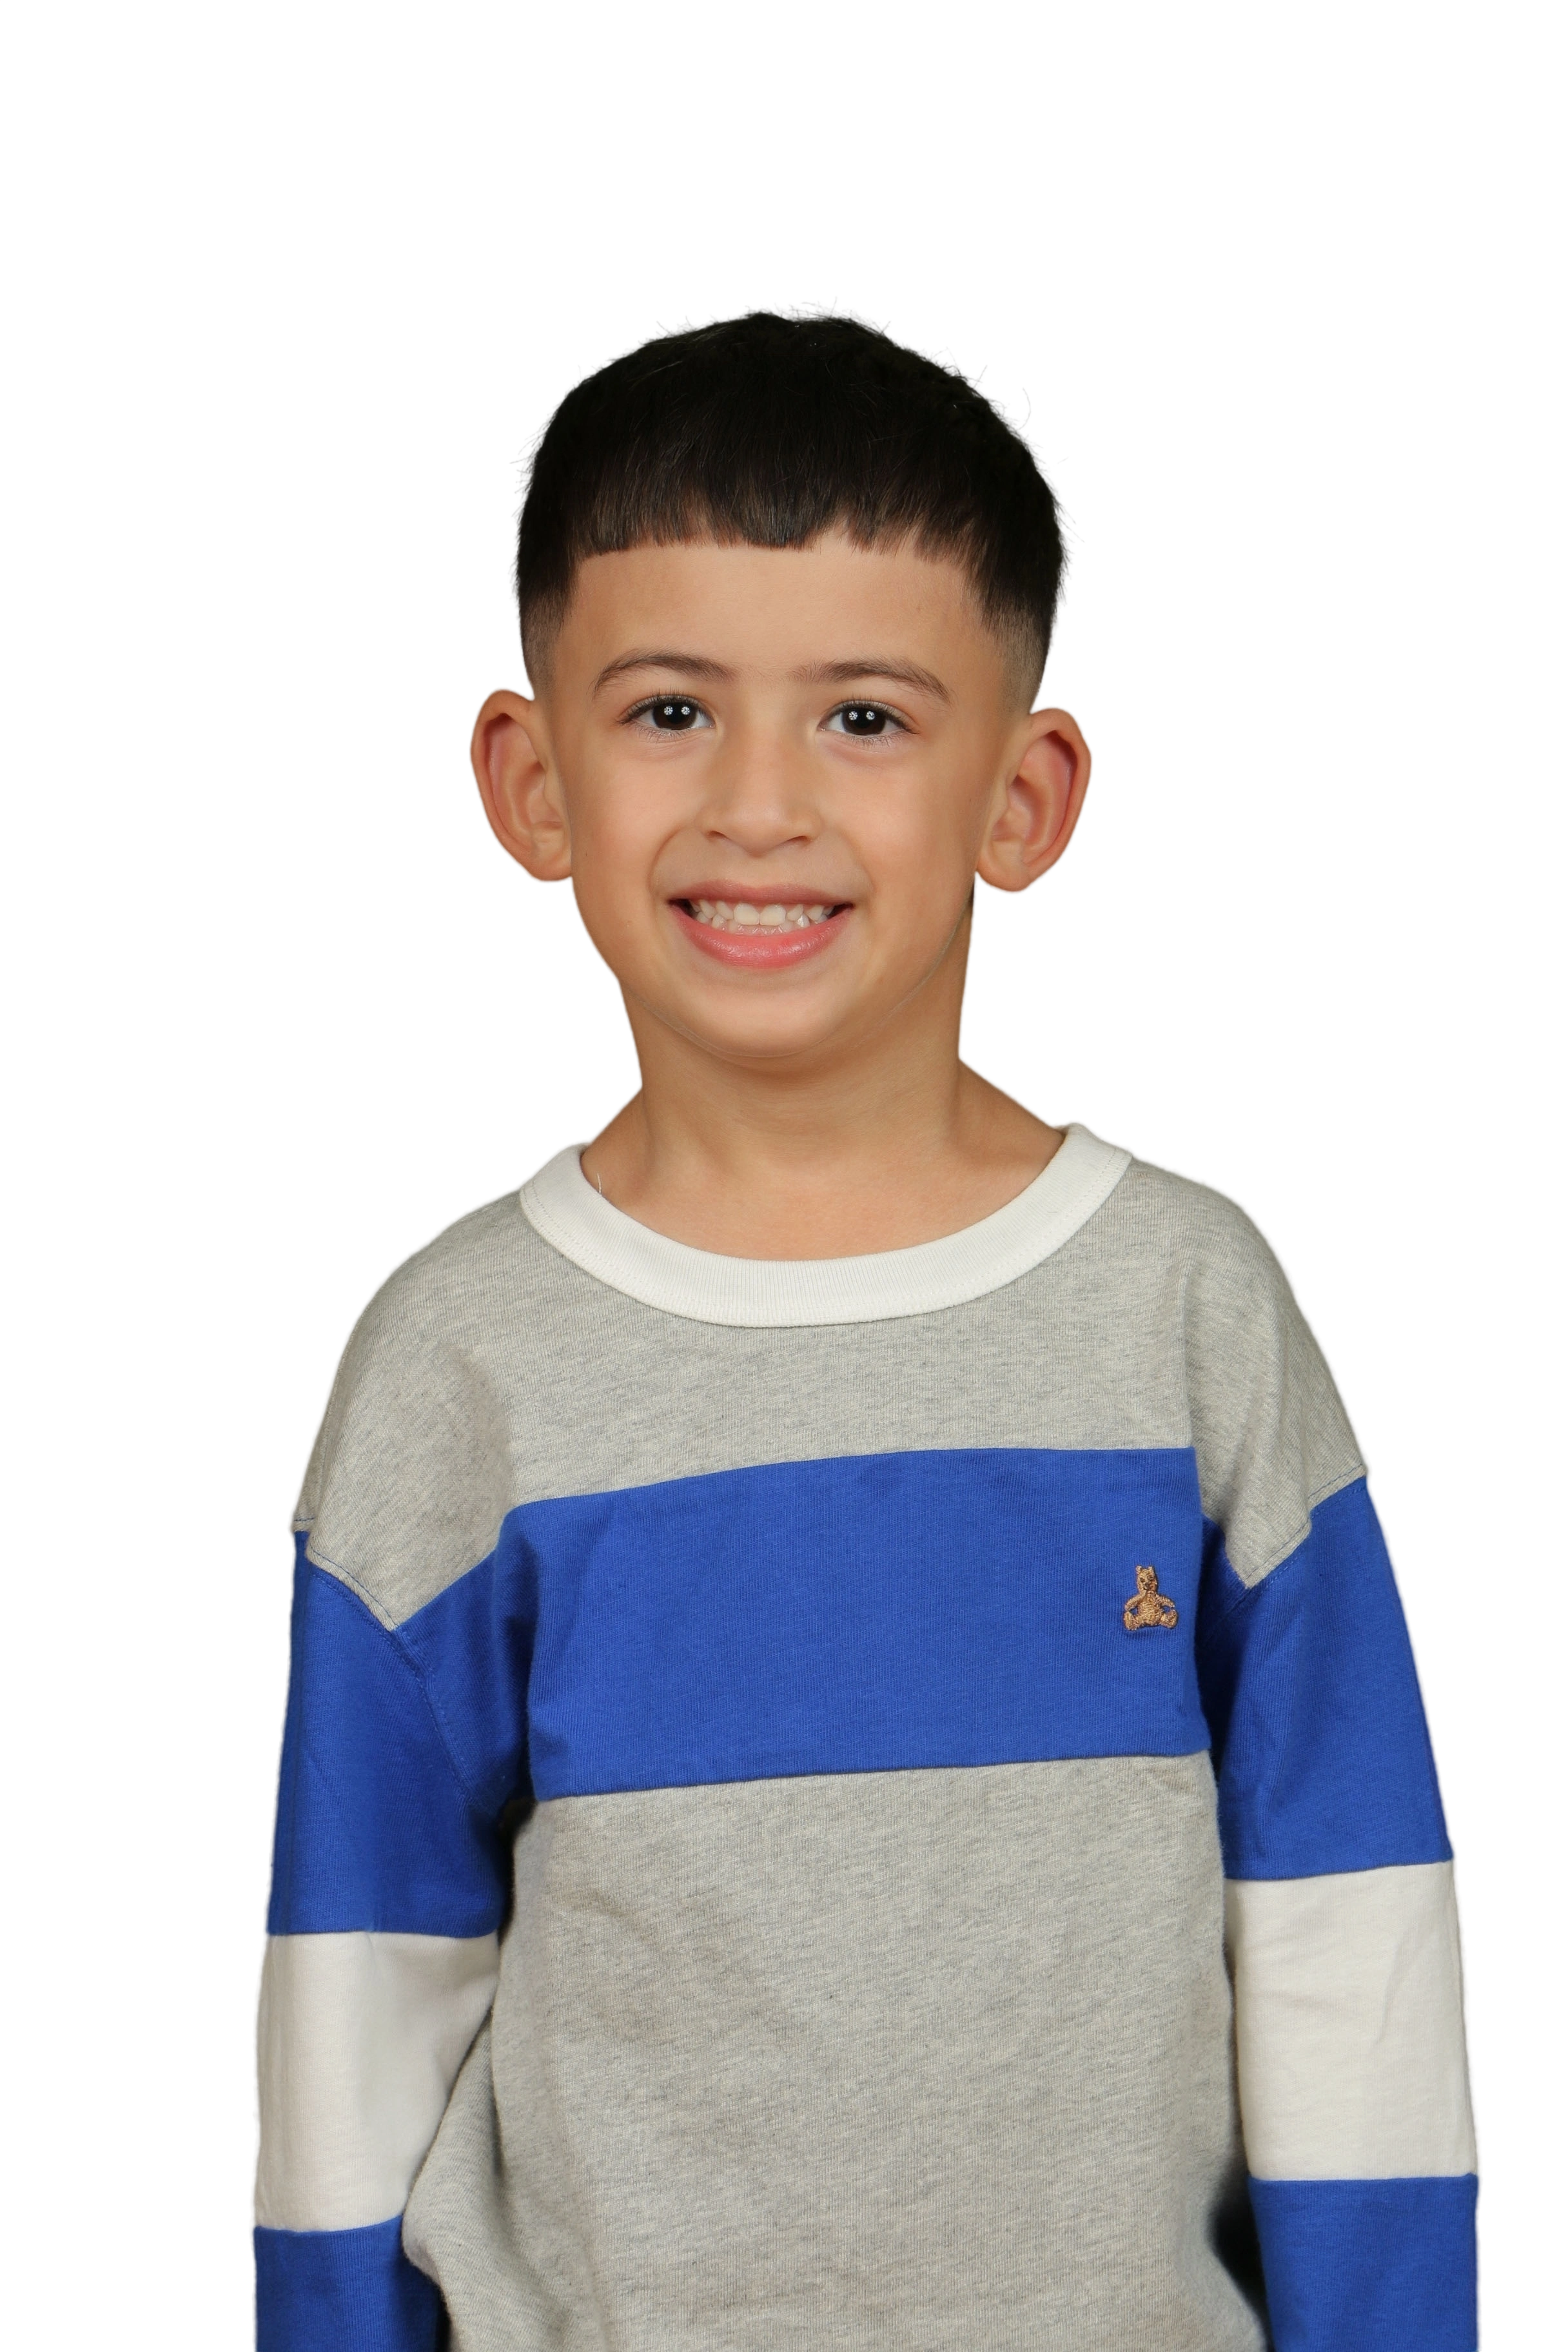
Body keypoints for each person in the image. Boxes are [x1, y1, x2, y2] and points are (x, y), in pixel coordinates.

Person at [248, 300, 1480, 2351]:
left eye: (867, 719)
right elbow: (354, 2005)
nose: (760, 804)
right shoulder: (457, 1362)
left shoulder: (1189, 1311)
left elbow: (1350, 1951)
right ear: (532, 781)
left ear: (1025, 795)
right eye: (669, 709)